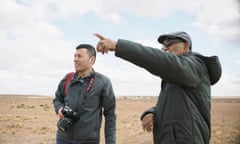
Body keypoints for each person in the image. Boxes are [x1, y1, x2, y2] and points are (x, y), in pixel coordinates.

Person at [94, 32, 222, 144]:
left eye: (170, 43)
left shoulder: (195, 66)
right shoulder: (176, 76)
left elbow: (161, 60)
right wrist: (153, 112)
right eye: (163, 47)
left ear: (186, 46)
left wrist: (118, 46)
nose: (165, 49)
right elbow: (176, 103)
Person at [53, 44, 116, 144]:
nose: (75, 59)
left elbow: (110, 115)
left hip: (88, 141)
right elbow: (57, 99)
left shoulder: (103, 82)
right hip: (63, 138)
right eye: (75, 56)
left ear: (91, 60)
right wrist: (59, 109)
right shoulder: (68, 78)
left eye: (79, 56)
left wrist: (110, 142)